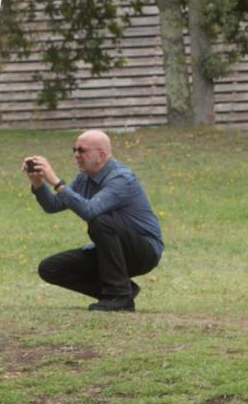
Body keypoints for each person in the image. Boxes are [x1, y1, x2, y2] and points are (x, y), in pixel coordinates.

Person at [23, 130, 163, 312]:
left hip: (143, 252)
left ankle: (118, 297)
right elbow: (54, 205)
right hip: (112, 251)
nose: (76, 155)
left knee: (100, 223)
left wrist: (56, 182)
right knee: (50, 268)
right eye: (74, 150)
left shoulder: (121, 178)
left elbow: (90, 211)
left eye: (82, 150)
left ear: (101, 155)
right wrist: (38, 183)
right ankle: (124, 290)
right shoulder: (85, 178)